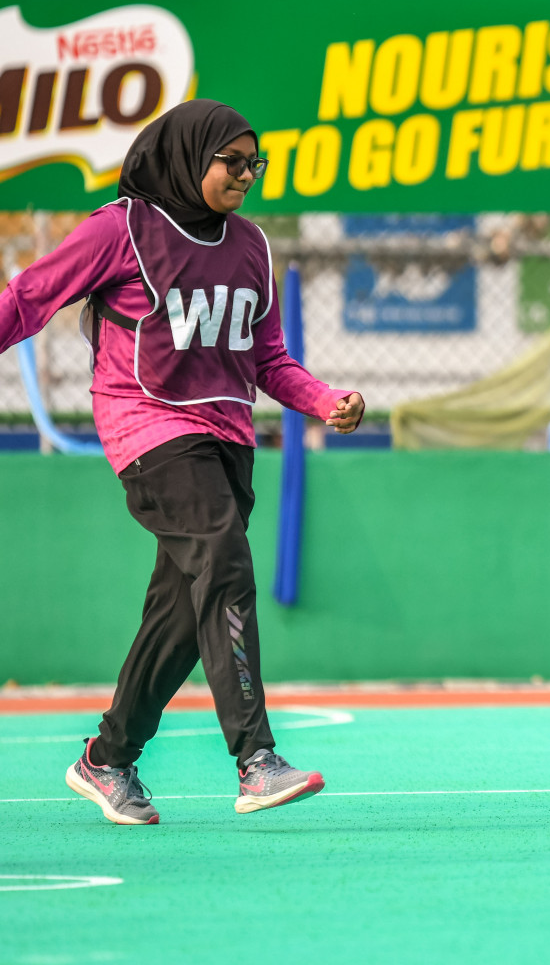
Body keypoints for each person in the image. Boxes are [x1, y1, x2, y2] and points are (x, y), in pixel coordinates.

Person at [0, 100, 365, 825]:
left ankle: (106, 760)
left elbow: (267, 359)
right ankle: (256, 759)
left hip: (228, 438)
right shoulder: (124, 229)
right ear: (188, 156)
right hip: (150, 428)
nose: (248, 175)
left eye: (256, 164)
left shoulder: (253, 246)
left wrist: (323, 399)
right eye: (234, 162)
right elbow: (31, 297)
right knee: (224, 564)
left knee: (178, 615)